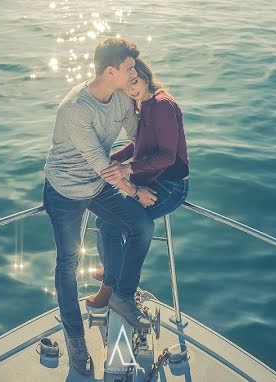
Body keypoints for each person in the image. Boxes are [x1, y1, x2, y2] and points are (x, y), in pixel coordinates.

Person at [42, 37, 157, 377]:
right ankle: (76, 341)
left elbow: (140, 139)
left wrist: (163, 142)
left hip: (97, 187)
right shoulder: (76, 108)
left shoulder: (121, 98)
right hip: (64, 192)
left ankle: (121, 295)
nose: (134, 72)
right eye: (128, 68)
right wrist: (135, 190)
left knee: (142, 227)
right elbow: (100, 164)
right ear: (110, 71)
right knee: (68, 263)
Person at [84, 57, 191, 315]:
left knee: (113, 227)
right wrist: (114, 159)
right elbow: (140, 144)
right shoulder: (144, 104)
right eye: (126, 87)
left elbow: (166, 156)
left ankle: (120, 292)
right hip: (153, 178)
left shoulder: (162, 106)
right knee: (103, 223)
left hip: (169, 186)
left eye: (134, 82)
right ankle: (113, 272)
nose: (131, 89)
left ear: (145, 76)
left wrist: (126, 168)